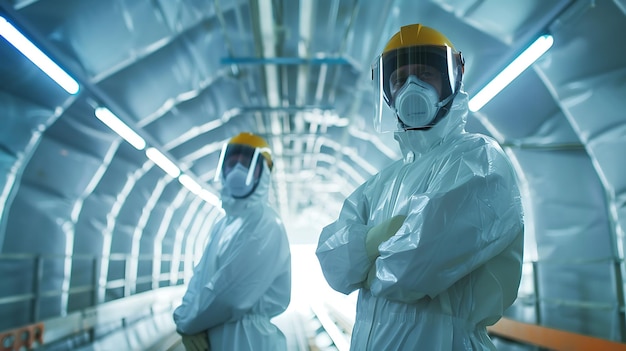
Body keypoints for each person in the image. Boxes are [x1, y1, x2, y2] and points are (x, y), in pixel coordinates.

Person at [315, 23, 524, 350]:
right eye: (399, 80)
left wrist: (366, 258)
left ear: (450, 83)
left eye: (425, 75)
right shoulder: (384, 181)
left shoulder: (478, 160)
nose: (411, 87)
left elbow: (413, 270)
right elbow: (332, 260)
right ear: (388, 94)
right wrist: (383, 241)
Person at [173, 132, 292, 351]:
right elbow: (199, 280)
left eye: (246, 163)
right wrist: (183, 318)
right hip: (213, 335)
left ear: (263, 172)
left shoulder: (265, 222)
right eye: (232, 163)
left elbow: (231, 294)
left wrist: (187, 323)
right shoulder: (223, 225)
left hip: (248, 340)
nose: (237, 170)